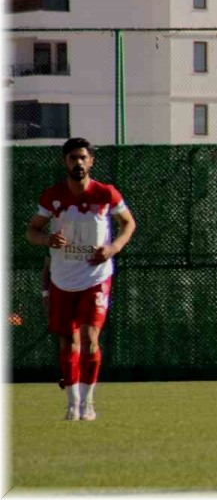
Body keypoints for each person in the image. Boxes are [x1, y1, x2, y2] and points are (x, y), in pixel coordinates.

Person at [26, 138, 136, 421]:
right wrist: (47, 239)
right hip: (63, 278)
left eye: (83, 157)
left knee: (89, 337)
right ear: (65, 161)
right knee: (67, 340)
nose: (78, 162)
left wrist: (113, 248)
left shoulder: (105, 194)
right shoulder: (53, 196)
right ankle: (72, 404)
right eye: (73, 157)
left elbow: (128, 223)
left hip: (96, 277)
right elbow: (32, 231)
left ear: (91, 161)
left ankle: (88, 403)